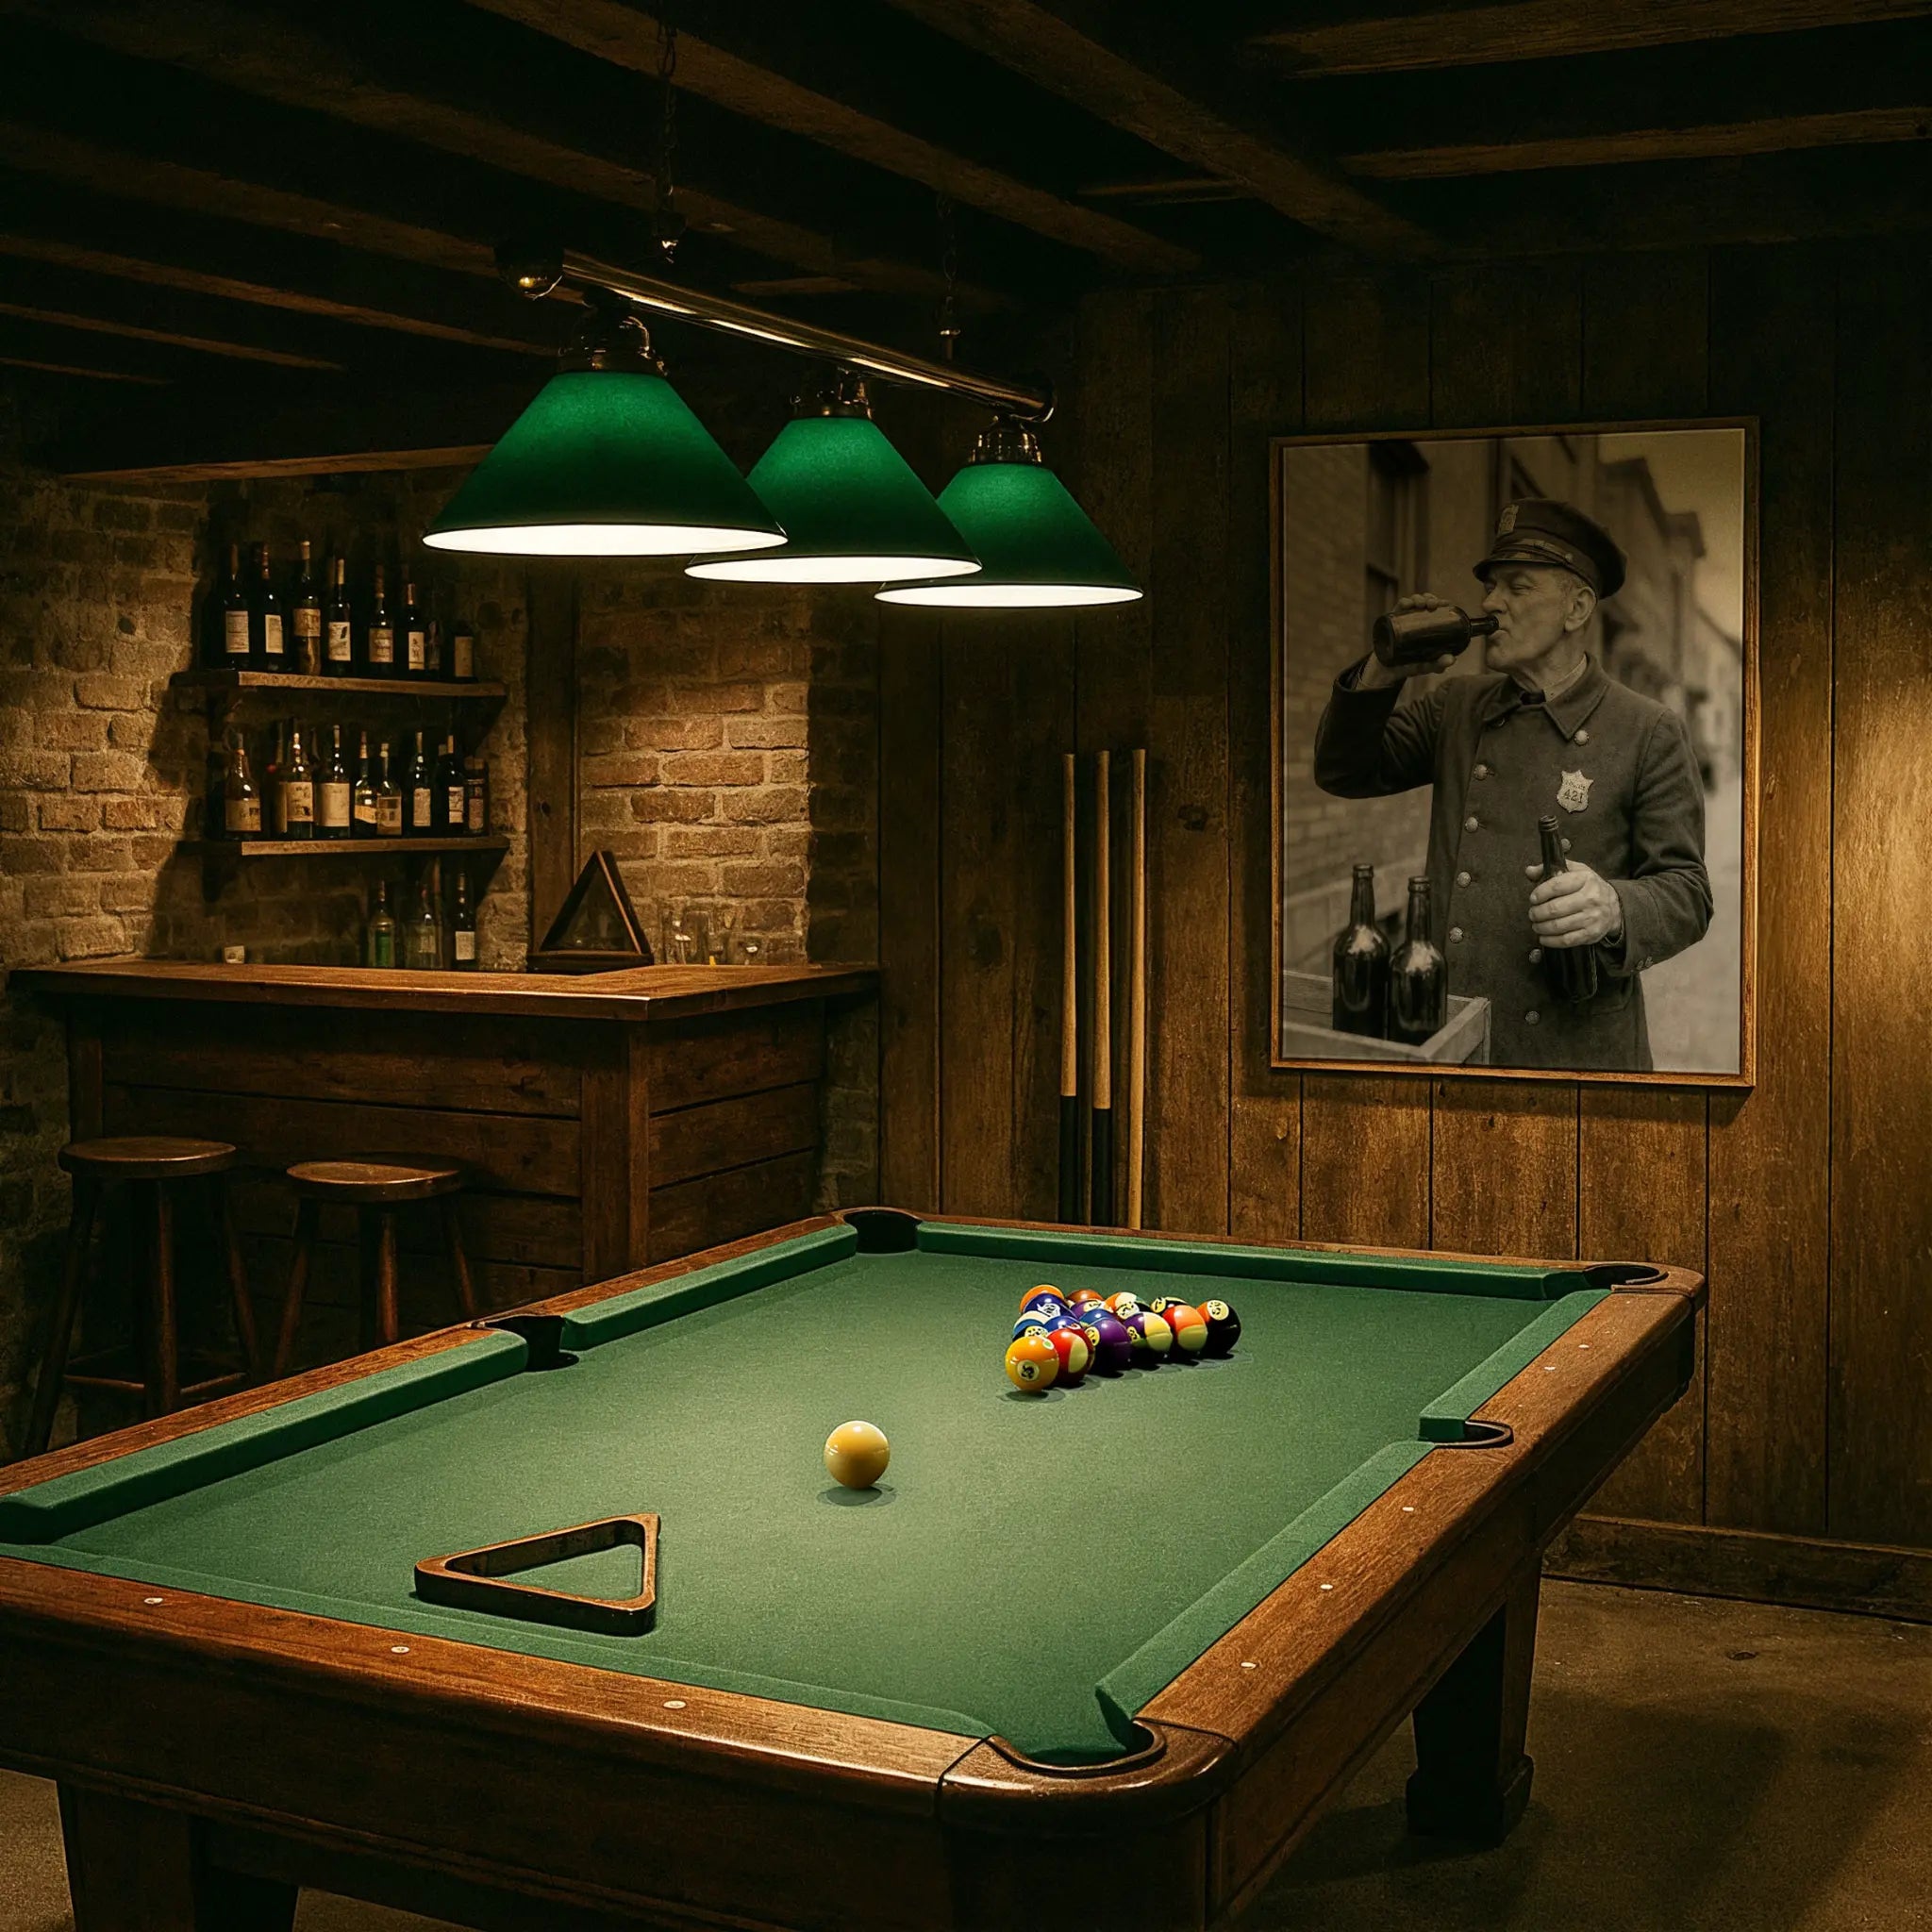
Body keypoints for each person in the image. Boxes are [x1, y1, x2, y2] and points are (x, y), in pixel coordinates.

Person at [1312, 498, 1710, 1071]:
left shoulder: (1647, 729)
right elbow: (1343, 770)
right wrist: (1383, 670)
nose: (1490, 603)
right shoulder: (1458, 705)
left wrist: (1614, 907)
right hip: (1450, 1039)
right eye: (1491, 586)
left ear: (1577, 608)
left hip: (1573, 1056)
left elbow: (1688, 893)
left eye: (1517, 587)